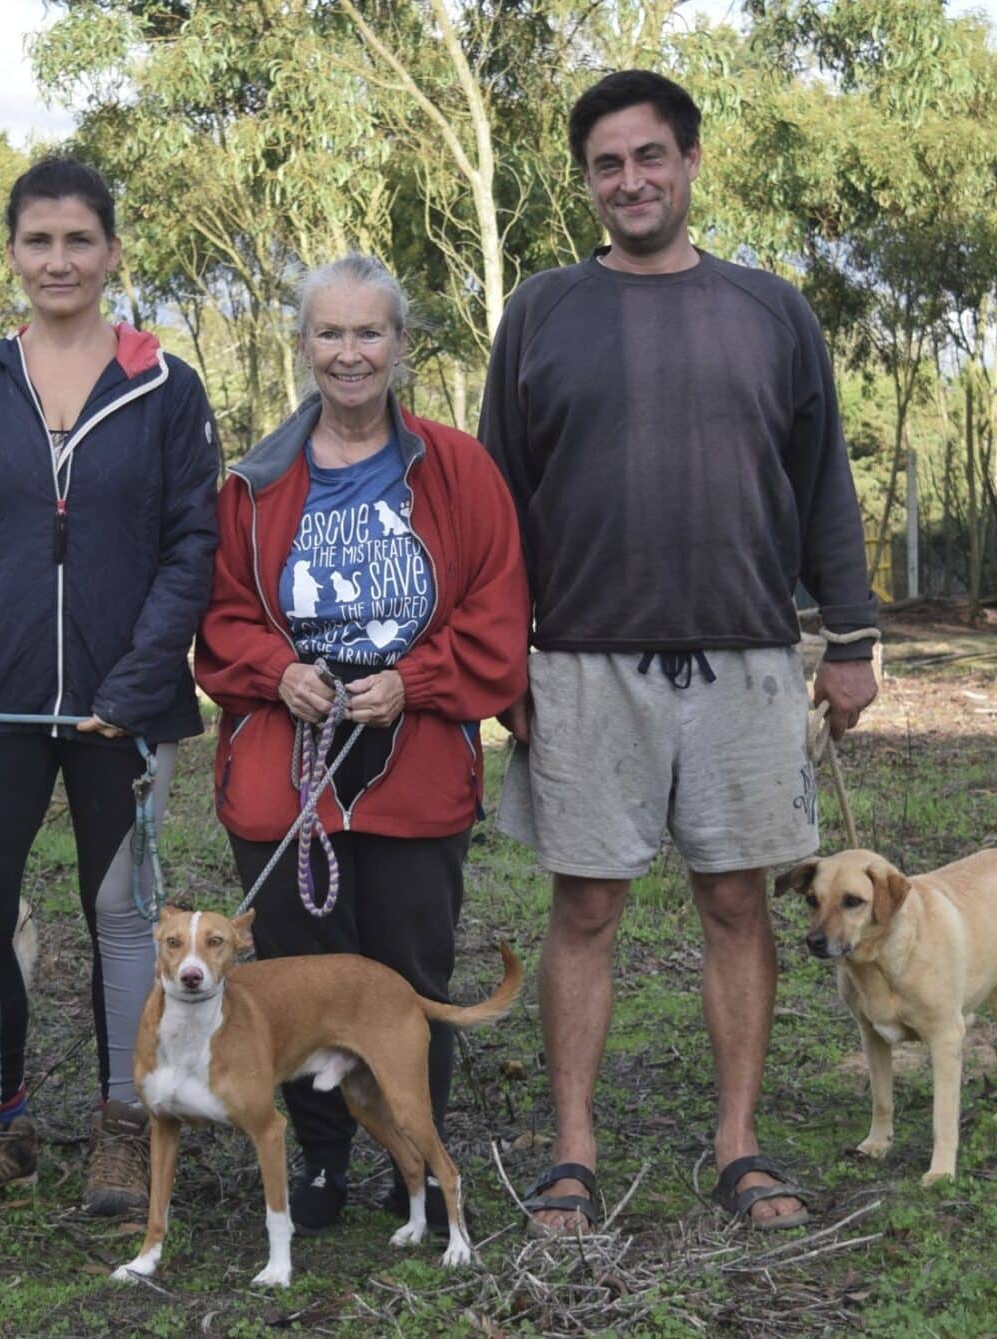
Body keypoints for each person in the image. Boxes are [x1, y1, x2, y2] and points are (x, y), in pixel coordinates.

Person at [477, 70, 881, 1235]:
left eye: (649, 156)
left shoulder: (769, 309)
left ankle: (739, 1144)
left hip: (746, 660)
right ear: (586, 182)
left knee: (736, 905)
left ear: (691, 162)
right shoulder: (544, 312)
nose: (630, 181)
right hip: (582, 662)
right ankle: (570, 1149)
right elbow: (495, 503)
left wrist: (848, 641)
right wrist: (502, 662)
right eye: (606, 164)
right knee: (585, 908)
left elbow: (823, 488)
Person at [0, 156, 221, 1218]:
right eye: (37, 241)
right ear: (11, 256)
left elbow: (191, 546)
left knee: (124, 917)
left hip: (121, 709)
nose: (58, 259)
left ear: (112, 253)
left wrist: (132, 684)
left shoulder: (166, 386)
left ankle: (126, 1130)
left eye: (79, 239)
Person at [194, 254, 528, 1234]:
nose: (349, 353)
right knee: (296, 981)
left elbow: (497, 615)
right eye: (328, 334)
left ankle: (413, 1168)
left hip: (412, 768)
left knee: (407, 976)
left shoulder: (458, 471)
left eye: (367, 332)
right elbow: (218, 619)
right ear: (302, 348)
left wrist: (413, 682)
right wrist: (276, 671)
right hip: (282, 776)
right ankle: (325, 1163)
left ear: (398, 345)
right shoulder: (254, 485)